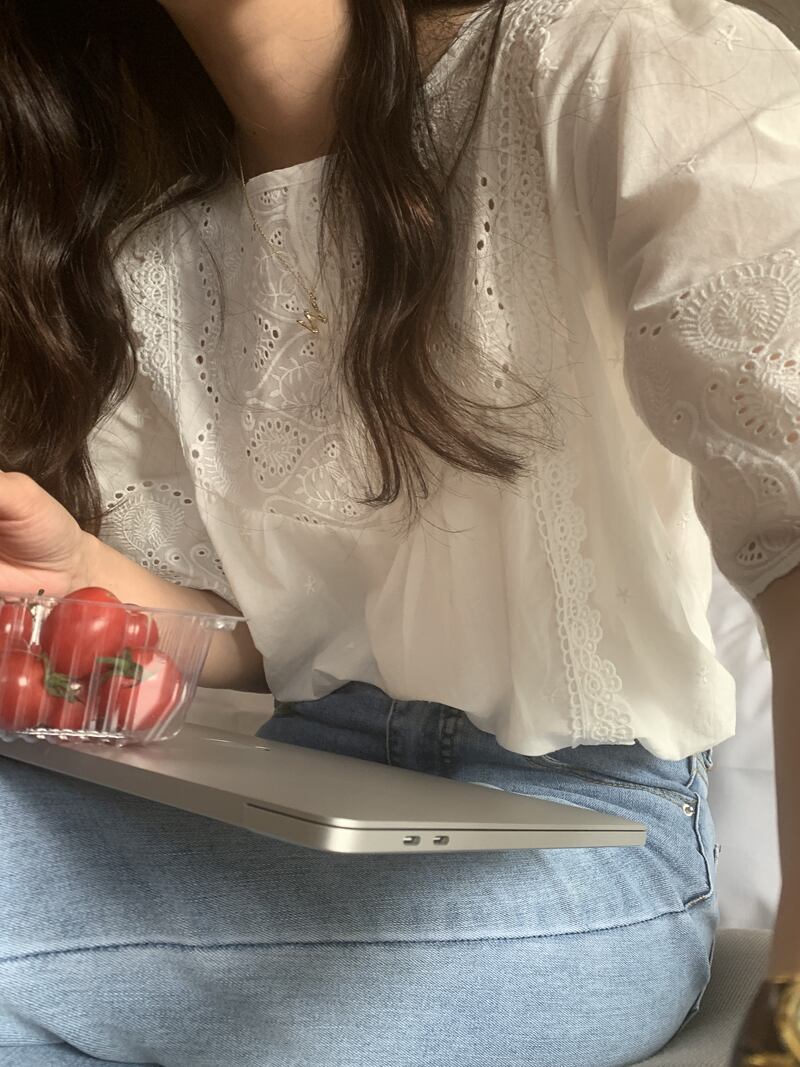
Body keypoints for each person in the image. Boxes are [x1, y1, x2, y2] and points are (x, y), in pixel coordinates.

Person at [0, 0, 798, 1064]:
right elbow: (266, 637)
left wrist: (787, 1024)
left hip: (583, 843)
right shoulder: (151, 242)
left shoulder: (608, 70)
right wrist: (82, 576)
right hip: (287, 797)